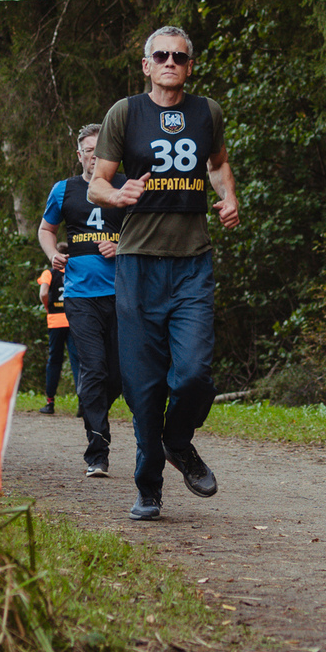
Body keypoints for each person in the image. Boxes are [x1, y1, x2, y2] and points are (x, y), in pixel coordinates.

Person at [90, 26, 241, 520]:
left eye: (179, 56)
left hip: (192, 261)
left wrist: (228, 197)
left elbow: (217, 165)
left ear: (189, 66)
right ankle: (148, 486)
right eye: (161, 56)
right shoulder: (125, 113)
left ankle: (178, 441)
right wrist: (119, 195)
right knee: (144, 385)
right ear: (146, 65)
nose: (170, 62)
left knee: (195, 374)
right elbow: (97, 185)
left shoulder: (207, 112)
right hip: (137, 264)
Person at [38, 124, 126, 476]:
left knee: (117, 376)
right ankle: (97, 451)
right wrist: (52, 255)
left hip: (121, 293)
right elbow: (46, 229)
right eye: (89, 150)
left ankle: (94, 406)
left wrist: (121, 245)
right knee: (93, 370)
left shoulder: (125, 186)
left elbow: (146, 231)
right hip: (80, 296)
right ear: (80, 155)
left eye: (101, 150)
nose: (95, 156)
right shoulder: (64, 190)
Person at [34, 263, 75, 414]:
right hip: (73, 320)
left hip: (55, 321)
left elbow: (43, 293)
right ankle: (84, 404)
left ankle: (50, 402)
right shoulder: (74, 270)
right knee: (77, 360)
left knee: (54, 361)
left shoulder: (49, 273)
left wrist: (48, 307)